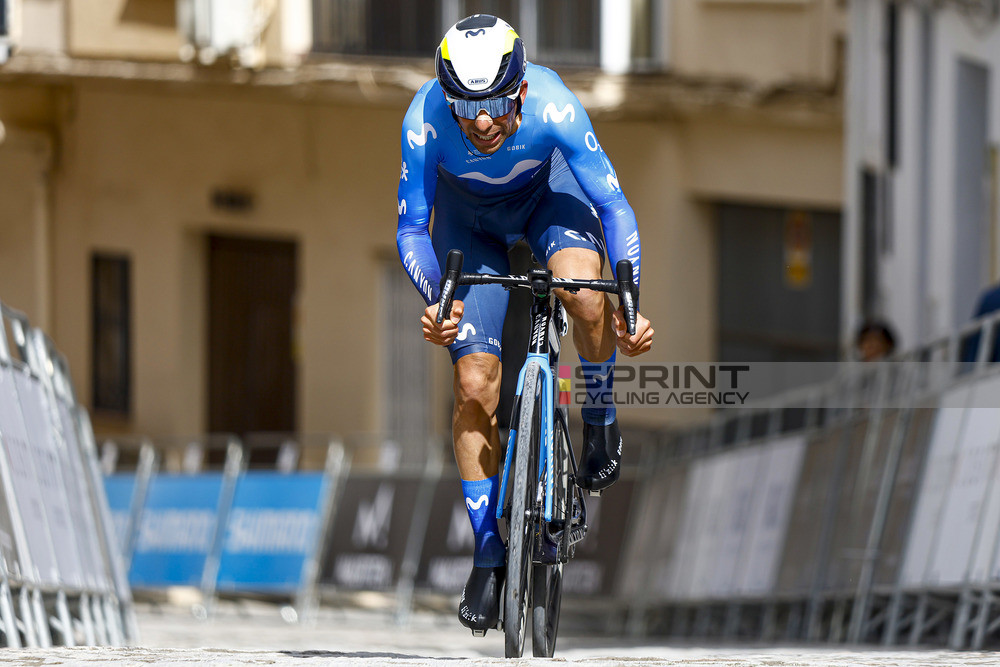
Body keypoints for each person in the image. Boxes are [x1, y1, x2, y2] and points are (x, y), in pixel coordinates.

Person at [396, 14, 654, 634]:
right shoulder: (424, 121)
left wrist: (630, 301)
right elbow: (411, 229)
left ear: (518, 91)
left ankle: (596, 412)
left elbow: (614, 206)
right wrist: (439, 298)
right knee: (474, 386)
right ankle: (489, 554)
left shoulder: (556, 109)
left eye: (491, 106)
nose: (479, 122)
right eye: (462, 105)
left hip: (548, 200)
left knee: (584, 295)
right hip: (469, 227)